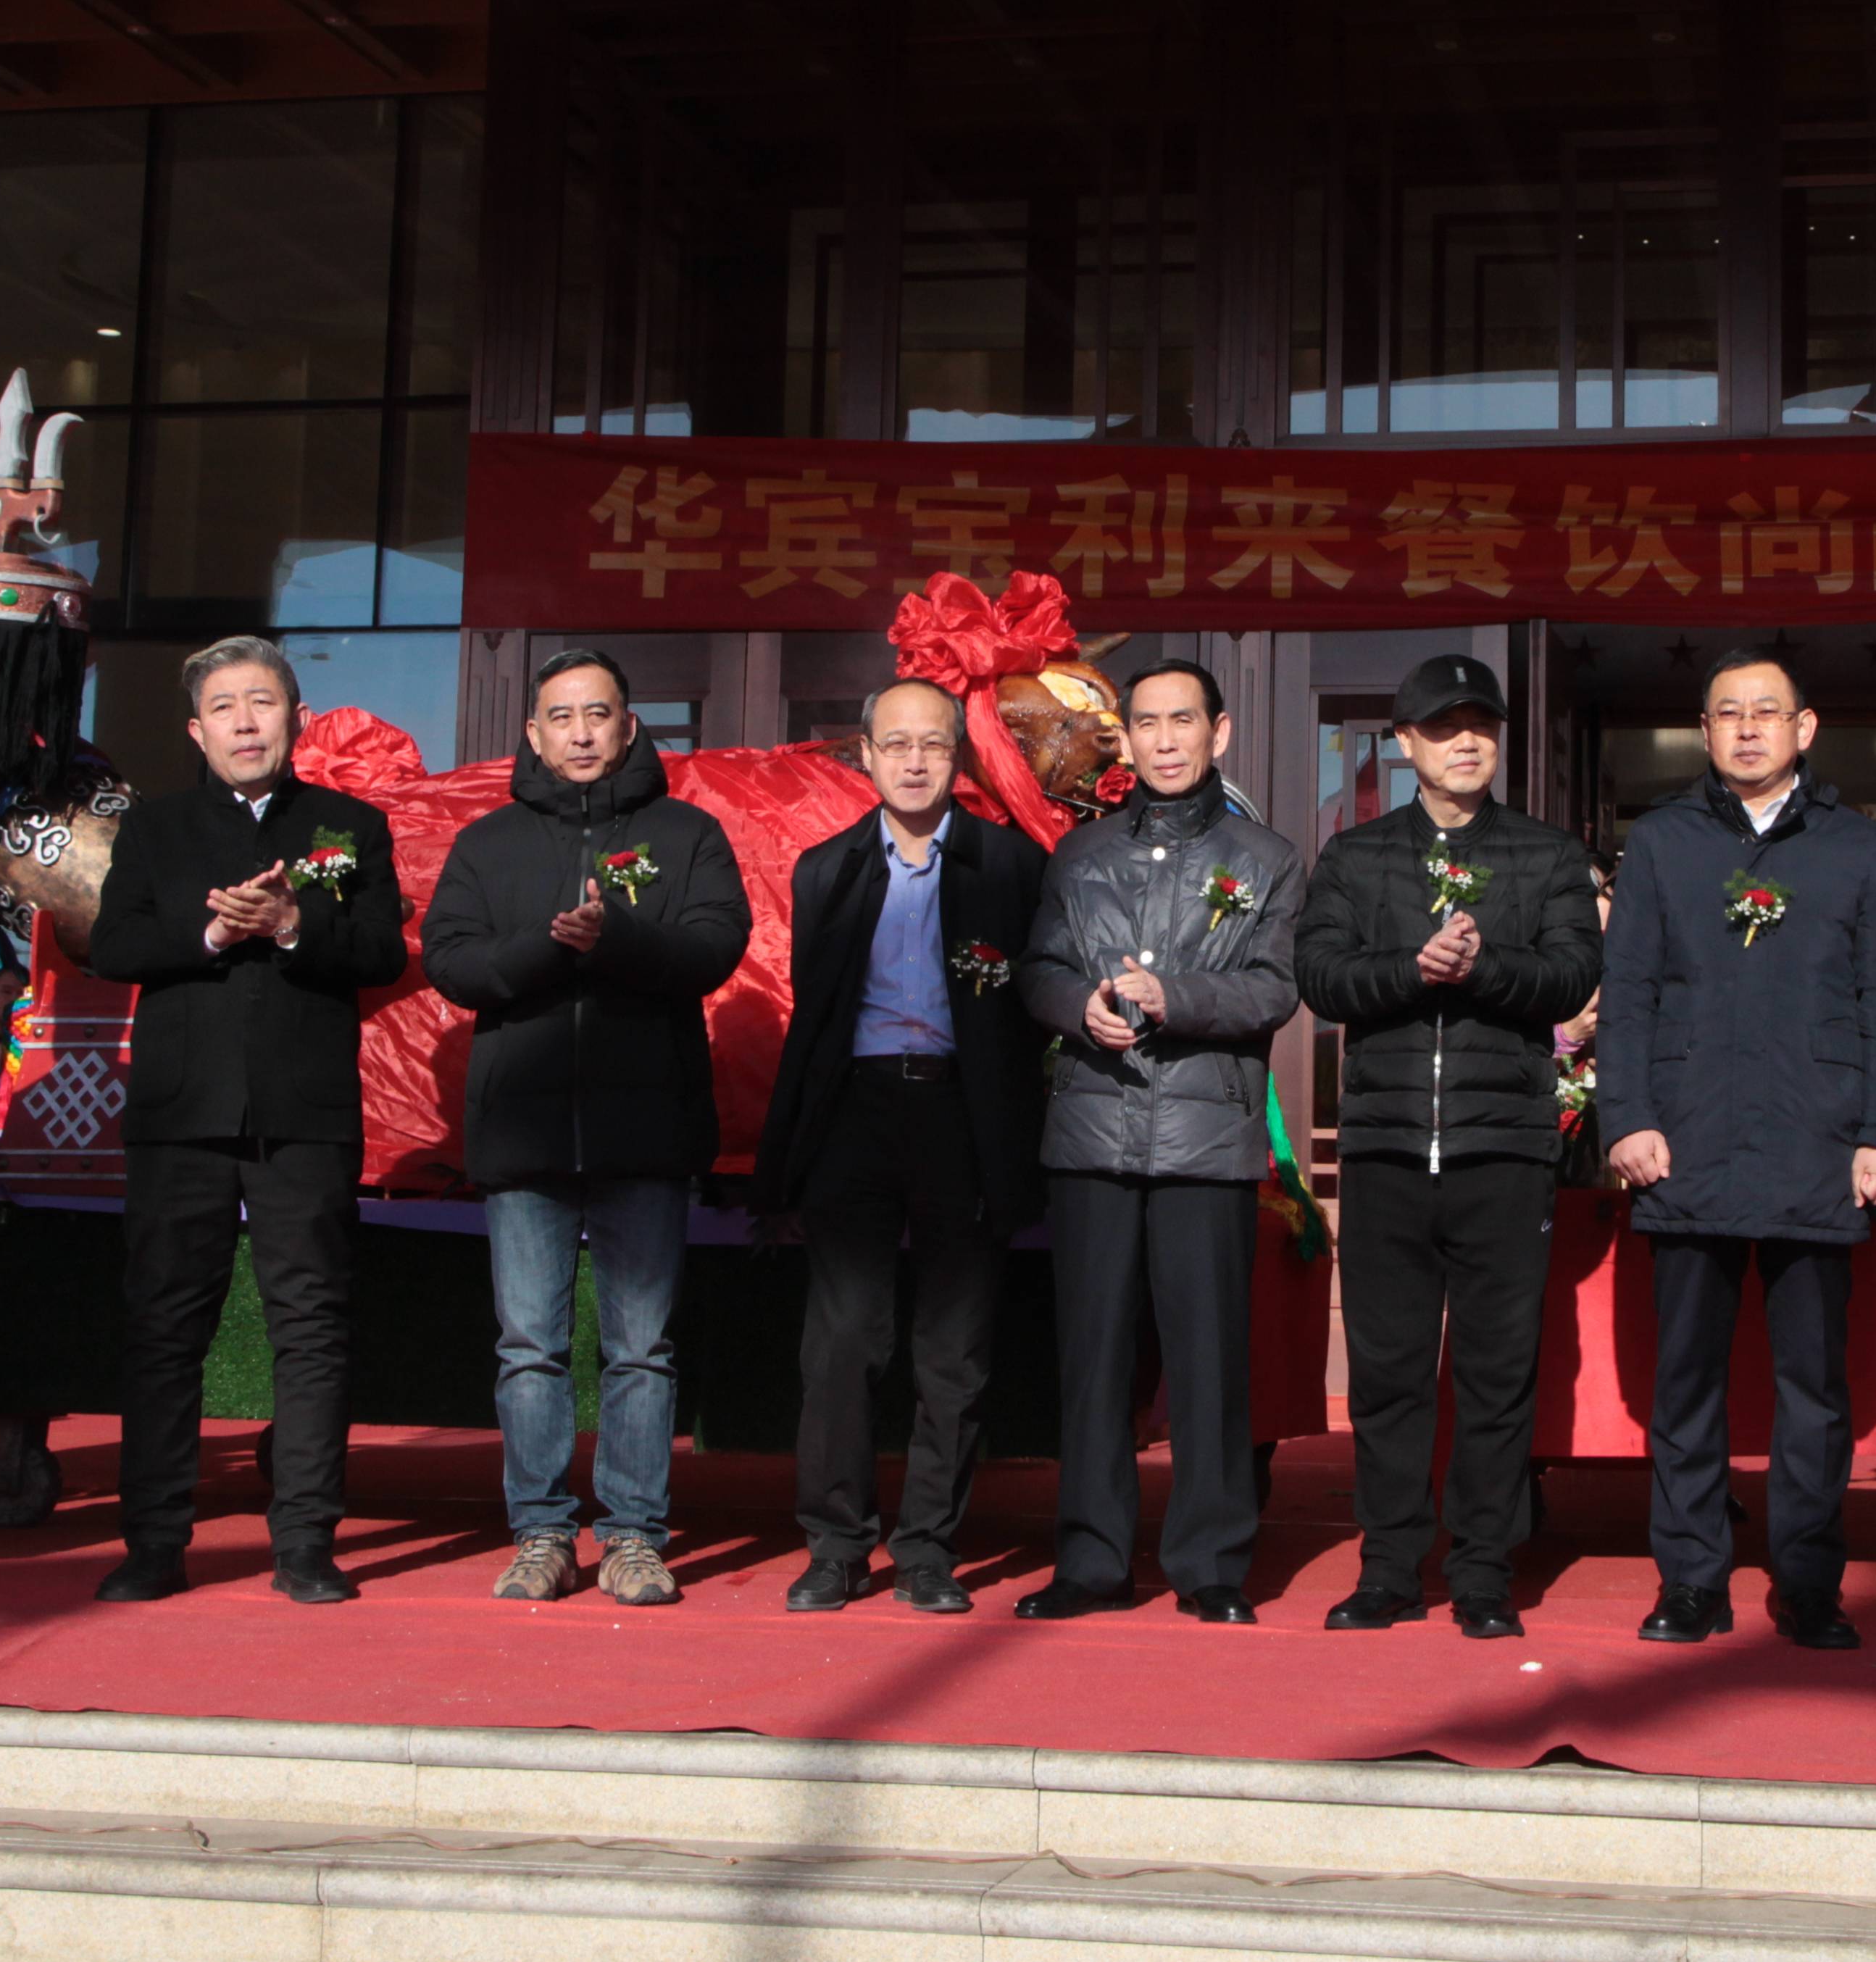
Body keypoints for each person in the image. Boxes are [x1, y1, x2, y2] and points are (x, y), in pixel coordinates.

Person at [1596, 648, 1876, 1650]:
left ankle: (1809, 1582)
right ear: (1703, 732)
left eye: (1767, 712)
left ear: (1804, 728)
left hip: (1816, 1144)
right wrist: (1627, 1118)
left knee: (1813, 1389)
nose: (1748, 729)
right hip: (1686, 1139)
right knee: (1685, 1382)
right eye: (1728, 713)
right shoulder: (1662, 842)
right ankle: (1691, 1579)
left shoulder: (1855, 848)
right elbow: (1629, 994)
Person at [422, 648, 753, 1606]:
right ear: (532, 734)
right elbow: (451, 961)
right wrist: (547, 948)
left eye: (597, 715)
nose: (579, 733)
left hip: (645, 1129)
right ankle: (541, 1533)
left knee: (641, 1348)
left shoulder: (686, 833)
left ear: (628, 727)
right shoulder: (488, 842)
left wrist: (619, 938)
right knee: (528, 1346)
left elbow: (715, 947)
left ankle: (636, 1536)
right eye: (561, 717)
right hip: (523, 1138)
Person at [87, 638, 409, 1607]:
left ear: (296, 719)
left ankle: (305, 1540)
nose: (244, 722)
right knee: (164, 1327)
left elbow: (382, 953)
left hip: (304, 1111)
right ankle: (153, 1541)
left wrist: (294, 927)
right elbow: (113, 945)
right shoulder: (155, 827)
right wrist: (215, 931)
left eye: (261, 703)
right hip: (181, 1111)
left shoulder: (349, 824)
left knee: (311, 1328)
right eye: (223, 707)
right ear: (196, 730)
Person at [1292, 651, 1601, 1638]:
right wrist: (1412, 969)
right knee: (1387, 1375)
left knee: (1497, 1374)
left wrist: (1483, 966)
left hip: (1503, 1150)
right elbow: (1320, 976)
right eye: (1442, 726)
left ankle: (1482, 1571)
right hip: (1386, 1150)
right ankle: (1389, 1566)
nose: (1465, 742)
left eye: (1480, 725)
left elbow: (1571, 975)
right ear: (1406, 742)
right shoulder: (1355, 856)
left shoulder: (1547, 855)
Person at [1015, 659, 1305, 1622]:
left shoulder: (1266, 858)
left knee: (1208, 1363)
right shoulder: (1080, 855)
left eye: (1184, 722)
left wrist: (1172, 997)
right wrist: (1080, 1006)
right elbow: (1037, 970)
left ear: (1219, 734)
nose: (1166, 740)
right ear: (1126, 739)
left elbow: (1274, 987)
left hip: (1206, 1138)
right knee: (1093, 1361)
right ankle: (1091, 1561)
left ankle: (1211, 1566)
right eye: (1147, 723)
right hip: (1091, 1132)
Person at [750, 677, 1044, 1614]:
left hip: (964, 1114)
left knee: (953, 1351)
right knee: (843, 1343)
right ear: (867, 757)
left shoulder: (1009, 865)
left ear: (959, 759)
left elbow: (1028, 1011)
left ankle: (927, 1550)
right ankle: (836, 1546)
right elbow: (814, 1020)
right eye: (897, 744)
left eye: (934, 744)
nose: (915, 761)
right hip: (856, 1113)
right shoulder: (827, 869)